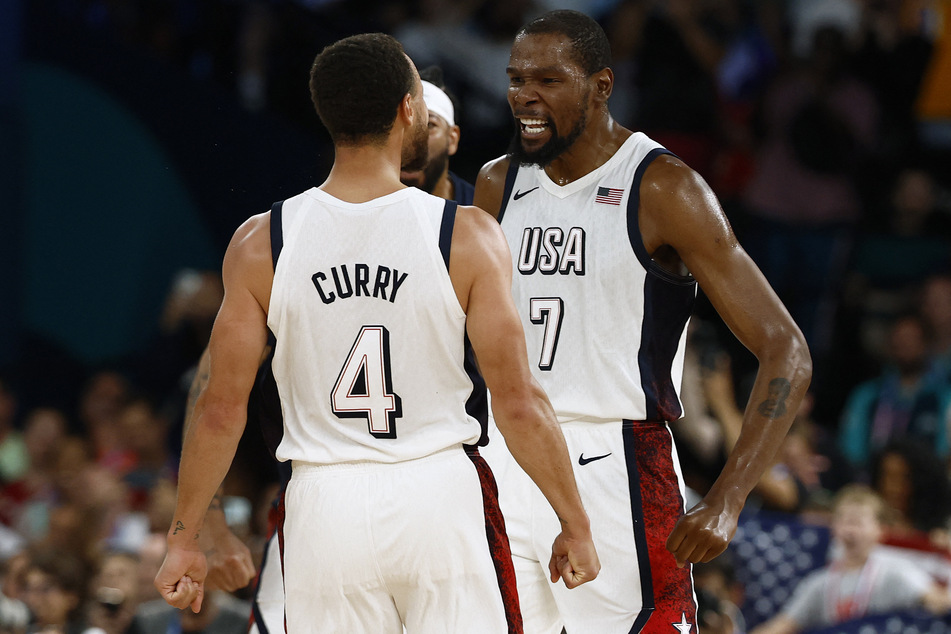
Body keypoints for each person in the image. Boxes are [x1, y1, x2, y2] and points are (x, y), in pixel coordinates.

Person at [153, 32, 599, 633]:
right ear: (407, 110)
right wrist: (574, 521)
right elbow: (518, 402)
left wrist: (185, 538)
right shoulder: (465, 234)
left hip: (322, 506)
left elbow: (218, 408)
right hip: (438, 494)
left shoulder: (262, 241)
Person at [473, 10, 811, 633]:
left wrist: (728, 498)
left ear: (602, 86)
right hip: (505, 452)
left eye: (548, 79)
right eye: (517, 79)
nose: (526, 96)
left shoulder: (664, 187)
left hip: (616, 458)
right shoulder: (497, 183)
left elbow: (786, 349)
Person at [191, 65, 487, 634]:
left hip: (377, 490)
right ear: (400, 119)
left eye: (432, 124)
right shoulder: (296, 230)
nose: (417, 138)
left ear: (450, 137)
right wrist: (206, 521)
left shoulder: (479, 228)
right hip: (368, 484)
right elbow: (215, 393)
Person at [749, 485, 951, 634]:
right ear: (834, 528)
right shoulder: (819, 583)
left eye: (858, 522)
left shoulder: (896, 573)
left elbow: (939, 603)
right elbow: (782, 625)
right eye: (845, 521)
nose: (851, 531)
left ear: (880, 530)